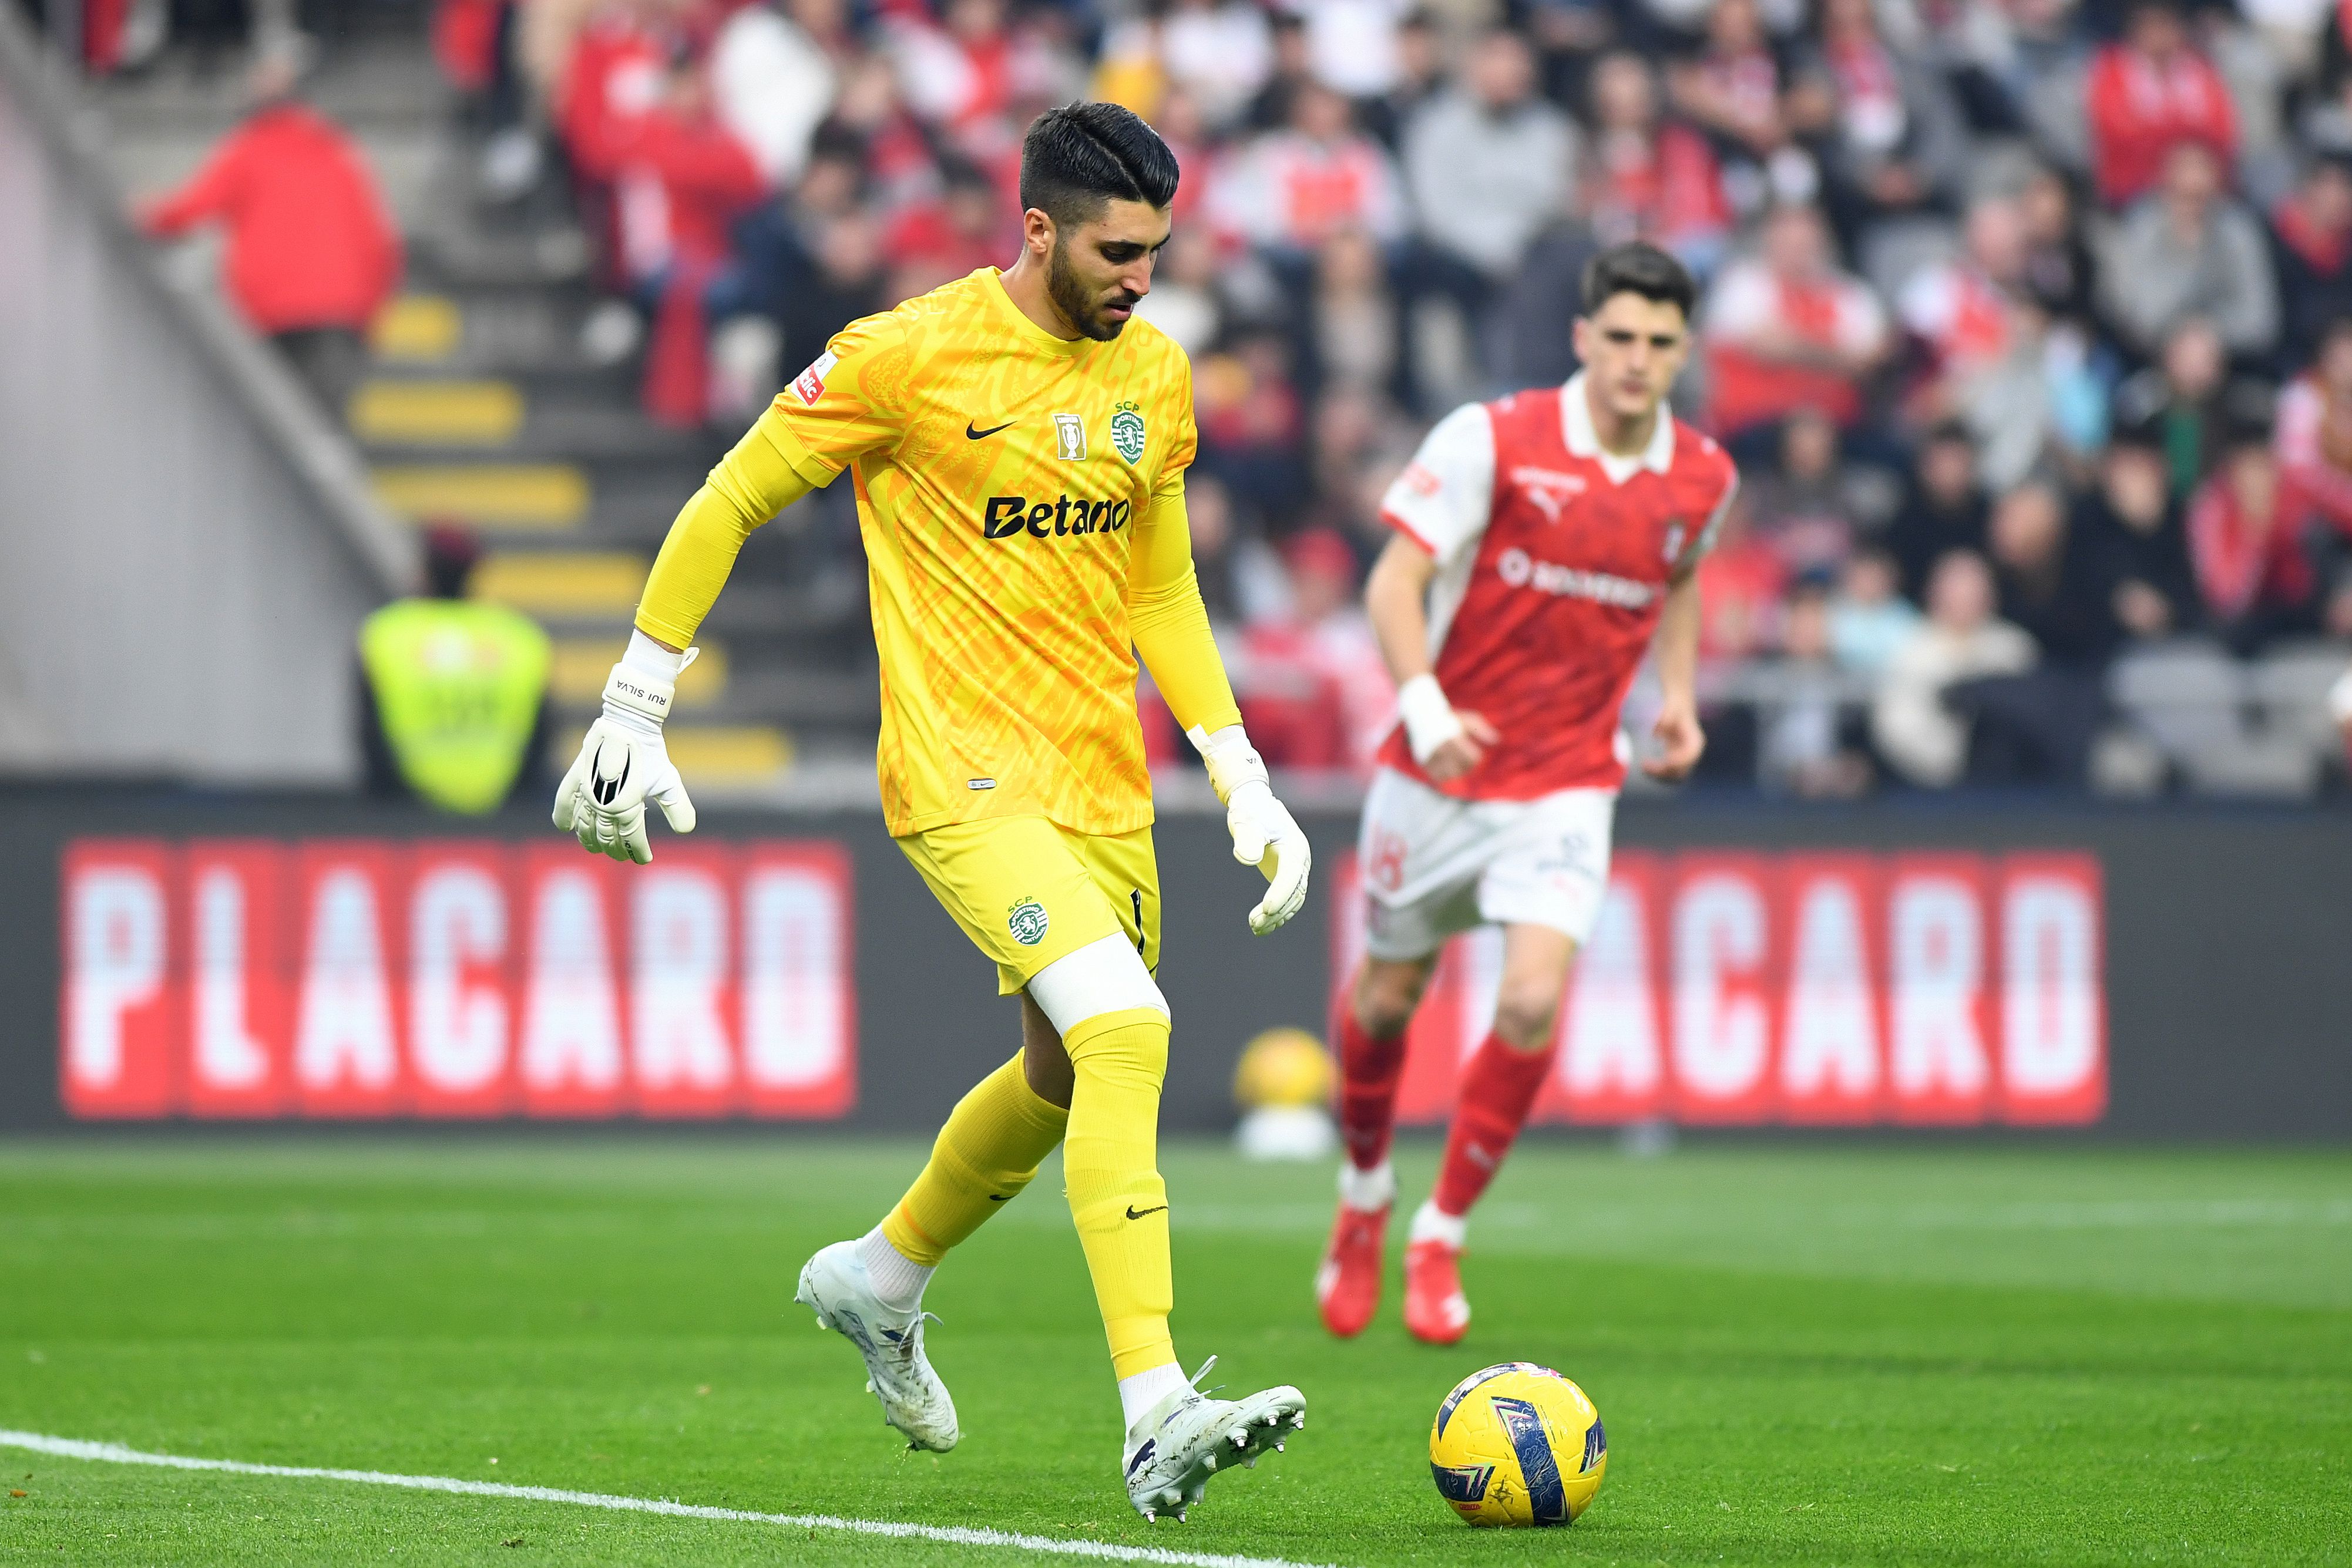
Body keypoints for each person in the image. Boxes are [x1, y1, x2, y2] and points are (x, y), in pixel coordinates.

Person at [547, 103, 1312, 1522]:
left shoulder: (1155, 372)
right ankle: (1157, 1409)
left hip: (1102, 785)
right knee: (1130, 1030)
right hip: (961, 774)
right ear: (1036, 230)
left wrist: (1240, 769)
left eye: (1157, 249)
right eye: (1117, 249)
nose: (1144, 275)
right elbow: (732, 498)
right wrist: (636, 702)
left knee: (1065, 1076)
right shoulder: (905, 355)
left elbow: (1159, 584)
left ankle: (881, 1274)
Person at [1315, 243, 1738, 1345]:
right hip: (1440, 769)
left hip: (1564, 781)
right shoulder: (1491, 439)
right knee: (1384, 1002)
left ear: (1680, 351)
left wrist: (1677, 698)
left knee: (1528, 1002)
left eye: (1658, 343)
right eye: (1621, 339)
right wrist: (1424, 710)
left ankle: (1439, 1231)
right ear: (1581, 340)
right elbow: (1392, 580)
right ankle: (1363, 1197)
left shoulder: (1702, 478)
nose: (1637, 361)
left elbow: (1678, 572)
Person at [137, 46, 402, 409]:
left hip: (274, 311)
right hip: (339, 311)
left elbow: (187, 210)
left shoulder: (248, 150)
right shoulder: (337, 149)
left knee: (280, 423)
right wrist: (371, 313)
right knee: (324, 433)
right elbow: (378, 240)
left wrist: (144, 213)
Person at [358, 526, 553, 815]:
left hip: (407, 819)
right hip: (502, 819)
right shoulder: (520, 637)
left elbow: (371, 737)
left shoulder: (385, 635)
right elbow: (541, 738)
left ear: (424, 569)